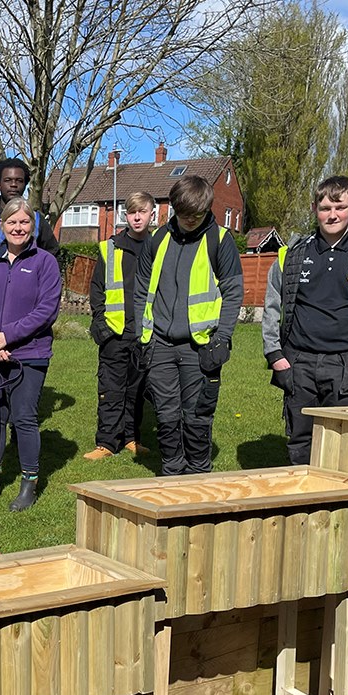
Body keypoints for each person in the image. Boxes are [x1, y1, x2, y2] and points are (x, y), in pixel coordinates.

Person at [262, 175, 348, 465]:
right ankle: (302, 505)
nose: (332, 214)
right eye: (325, 208)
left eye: (340, 206)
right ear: (314, 208)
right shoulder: (292, 254)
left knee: (346, 446)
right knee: (300, 444)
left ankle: (342, 506)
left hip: (347, 363)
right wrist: (275, 355)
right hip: (299, 363)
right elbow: (272, 305)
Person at [133, 175, 243, 476]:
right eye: (184, 215)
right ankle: (171, 471)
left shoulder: (220, 240)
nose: (190, 221)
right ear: (173, 210)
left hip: (202, 346)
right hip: (160, 345)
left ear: (207, 208)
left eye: (196, 215)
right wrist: (142, 337)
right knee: (166, 415)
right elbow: (141, 289)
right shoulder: (158, 239)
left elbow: (234, 292)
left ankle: (197, 473)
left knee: (197, 415)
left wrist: (222, 338)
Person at [0, 197, 61, 511]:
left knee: (24, 418)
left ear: (32, 226)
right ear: (3, 226)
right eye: (12, 222)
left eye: (24, 223)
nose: (18, 228)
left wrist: (8, 338)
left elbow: (46, 312)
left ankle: (28, 483)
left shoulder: (45, 262)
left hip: (29, 355)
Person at [84, 191, 153, 460]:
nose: (137, 217)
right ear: (126, 215)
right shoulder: (109, 247)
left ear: (151, 214)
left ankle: (132, 438)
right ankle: (107, 443)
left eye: (142, 212)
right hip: (114, 331)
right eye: (132, 212)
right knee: (111, 390)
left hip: (145, 331)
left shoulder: (157, 246)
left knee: (136, 391)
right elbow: (97, 289)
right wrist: (101, 322)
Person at [0, 157, 59, 297]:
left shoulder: (36, 220)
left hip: (27, 304)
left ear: (25, 185)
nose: (13, 185)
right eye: (8, 180)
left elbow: (52, 256)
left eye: (19, 181)